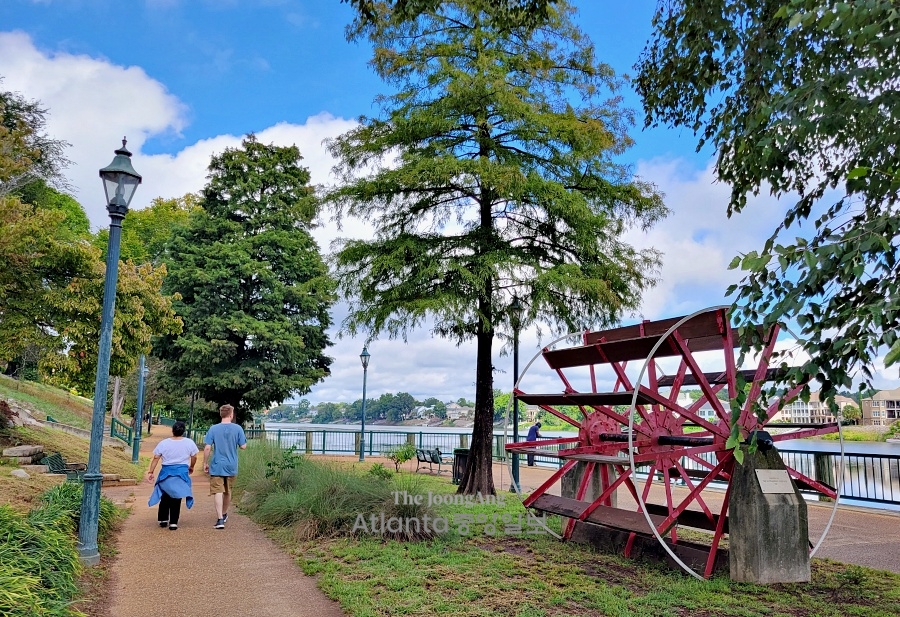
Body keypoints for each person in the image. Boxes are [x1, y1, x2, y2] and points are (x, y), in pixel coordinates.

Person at [147, 420, 198, 530]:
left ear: (172, 430)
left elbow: (156, 457)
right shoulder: (189, 443)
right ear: (183, 431)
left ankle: (163, 519)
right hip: (181, 473)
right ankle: (173, 522)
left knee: (165, 495)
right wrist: (192, 466)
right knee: (177, 496)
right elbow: (194, 456)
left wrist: (151, 471)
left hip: (166, 472)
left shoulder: (164, 443)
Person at [203, 404, 247, 529]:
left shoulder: (213, 429)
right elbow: (243, 446)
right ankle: (224, 513)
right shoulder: (238, 428)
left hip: (217, 464)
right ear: (231, 415)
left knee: (217, 491)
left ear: (221, 414)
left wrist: (205, 462)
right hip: (231, 464)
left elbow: (207, 447)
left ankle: (220, 519)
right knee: (228, 491)